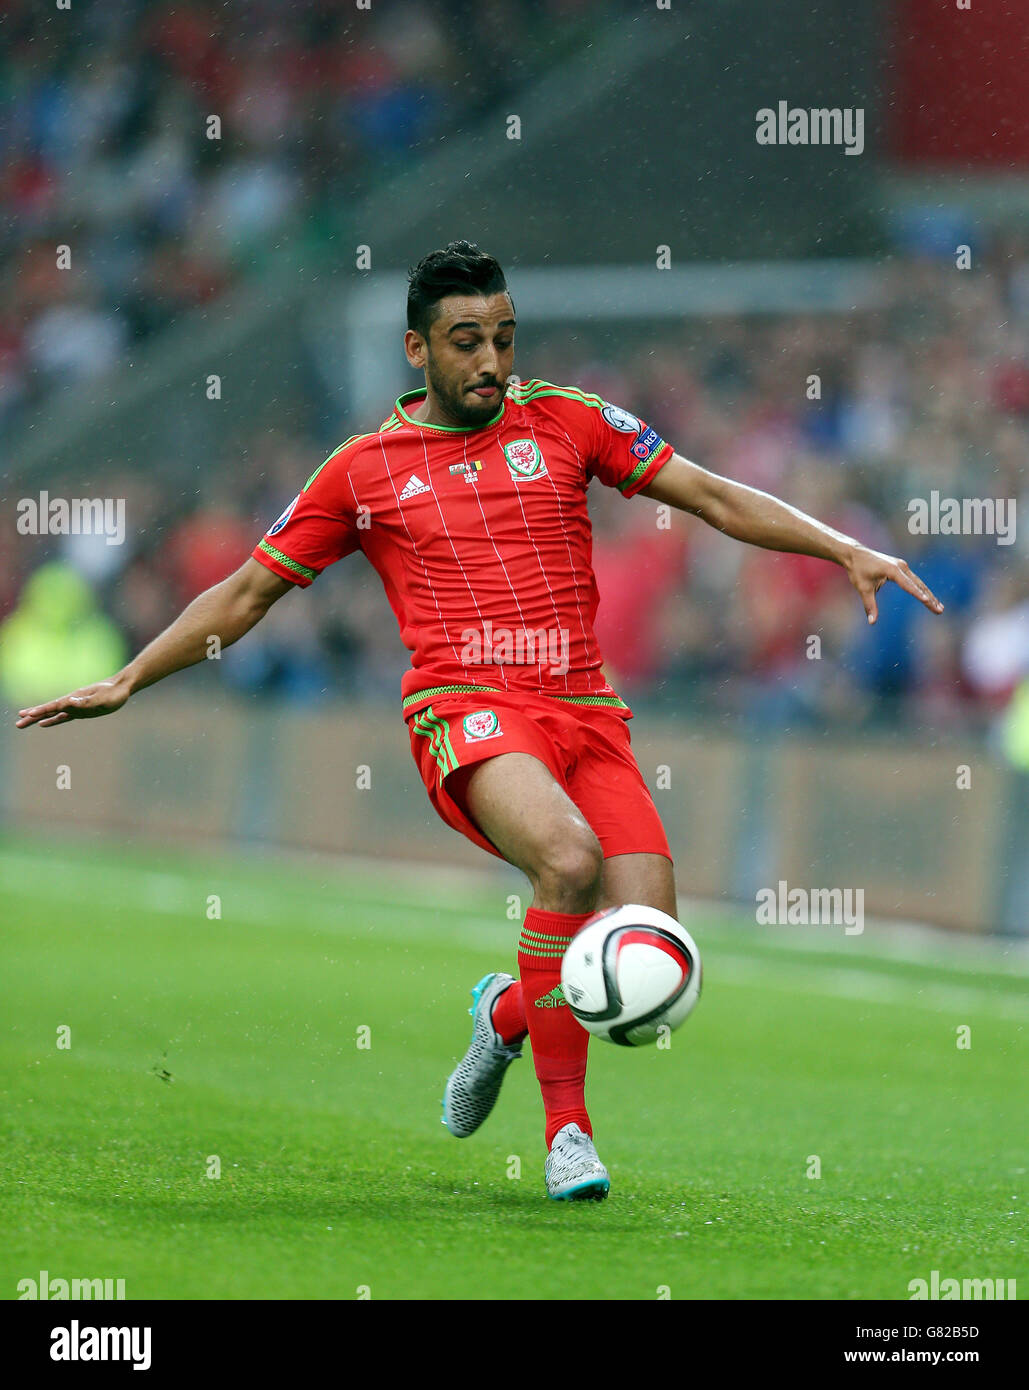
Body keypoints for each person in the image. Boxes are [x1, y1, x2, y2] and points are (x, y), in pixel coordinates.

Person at [16, 240, 944, 1201]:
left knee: (645, 952)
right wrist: (129, 677)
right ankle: (566, 1138)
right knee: (568, 861)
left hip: (587, 710)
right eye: (467, 342)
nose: (491, 361)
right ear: (417, 349)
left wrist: (842, 547)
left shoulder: (572, 420)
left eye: (503, 337)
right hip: (464, 707)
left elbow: (708, 495)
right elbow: (250, 591)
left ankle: (505, 1014)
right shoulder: (363, 471)